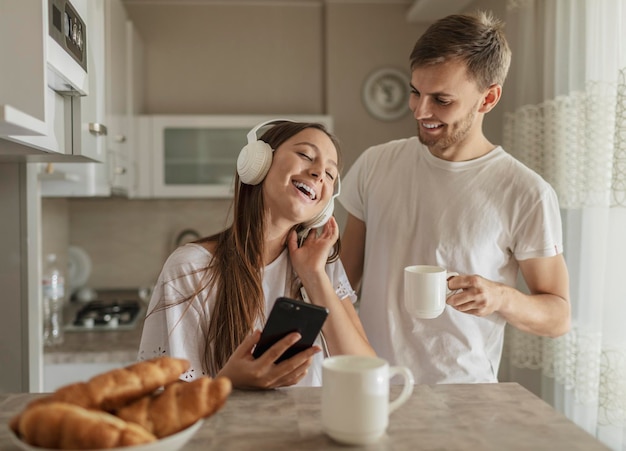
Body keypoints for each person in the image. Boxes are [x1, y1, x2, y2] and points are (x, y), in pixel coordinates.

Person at [338, 11, 571, 384]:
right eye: (415, 92)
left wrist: (500, 298)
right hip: (372, 385)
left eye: (442, 100)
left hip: (463, 398)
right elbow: (343, 282)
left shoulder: (526, 193)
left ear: (488, 98)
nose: (420, 110)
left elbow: (558, 316)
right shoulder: (375, 164)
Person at [138, 120, 374, 389]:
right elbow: (167, 402)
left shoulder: (322, 264)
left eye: (331, 175)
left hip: (308, 431)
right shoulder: (191, 268)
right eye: (305, 155)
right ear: (258, 161)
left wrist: (314, 276)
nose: (320, 173)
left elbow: (365, 374)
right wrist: (229, 384)